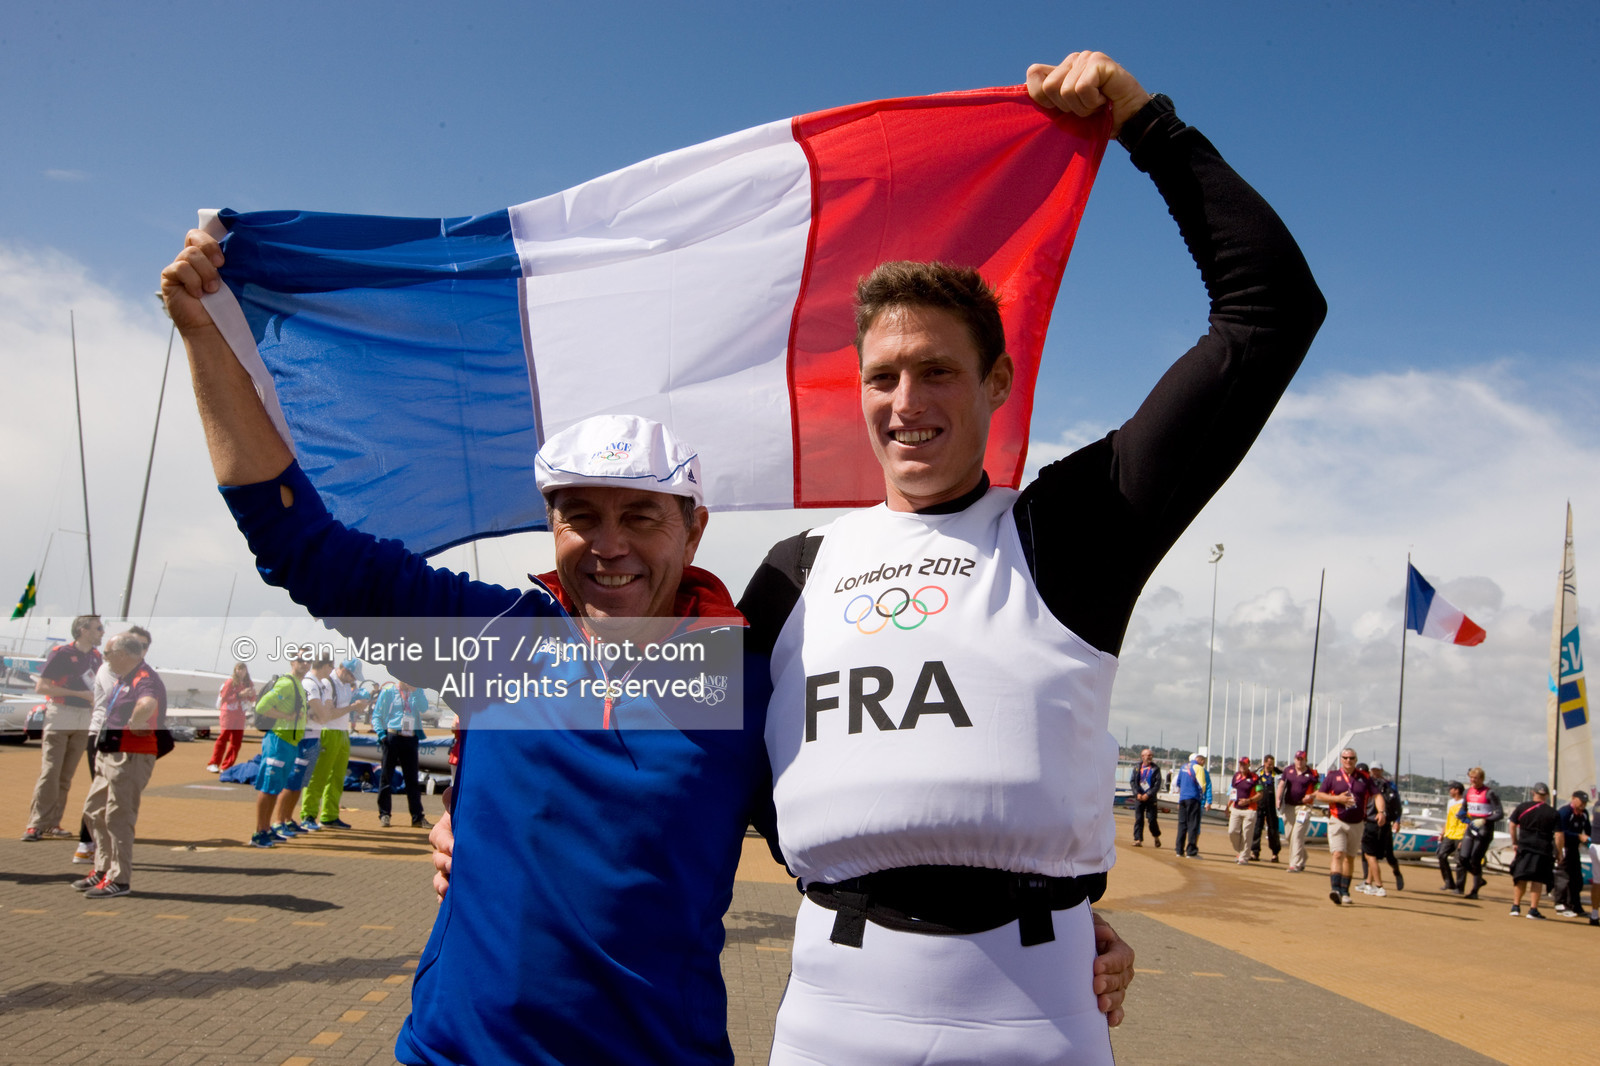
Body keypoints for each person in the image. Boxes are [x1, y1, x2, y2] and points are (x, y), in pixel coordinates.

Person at [737, 51, 1324, 1063]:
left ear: (996, 381)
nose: (906, 403)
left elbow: (1270, 311)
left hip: (1034, 1013)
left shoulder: (1069, 528)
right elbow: (672, 749)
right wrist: (478, 824)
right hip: (832, 1013)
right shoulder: (793, 569)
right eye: (882, 376)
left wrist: (1147, 125)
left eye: (937, 371)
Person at [73, 629, 167, 898]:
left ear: (123, 655)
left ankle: (119, 878)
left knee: (118, 816)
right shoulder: (122, 677)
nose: (104, 657)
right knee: (94, 810)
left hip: (130, 755)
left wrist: (136, 721)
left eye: (108, 653)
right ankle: (103, 869)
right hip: (109, 752)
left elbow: (148, 702)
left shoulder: (144, 677)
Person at [23, 614, 103, 842]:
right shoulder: (62, 653)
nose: (102, 632)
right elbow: (42, 687)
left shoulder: (97, 658)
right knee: (50, 771)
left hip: (84, 717)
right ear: (83, 630)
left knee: (66, 775)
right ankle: (36, 824)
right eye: (98, 628)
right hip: (61, 714)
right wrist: (79, 694)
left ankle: (53, 822)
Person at [248, 655, 311, 848]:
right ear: (292, 662)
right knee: (269, 788)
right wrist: (286, 716)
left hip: (290, 743)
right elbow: (261, 706)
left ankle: (267, 828)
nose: (305, 663)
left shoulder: (299, 685)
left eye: (309, 660)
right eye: (301, 659)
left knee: (276, 787)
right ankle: (259, 832)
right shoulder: (286, 683)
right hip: (278, 741)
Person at [301, 658, 369, 830]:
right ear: (343, 670)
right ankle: (308, 815)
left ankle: (329, 815)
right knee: (319, 775)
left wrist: (358, 705)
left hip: (342, 732)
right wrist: (354, 707)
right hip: (327, 731)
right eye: (352, 675)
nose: (354, 679)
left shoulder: (346, 685)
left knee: (337, 777)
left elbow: (343, 708)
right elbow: (329, 714)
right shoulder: (327, 683)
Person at [1312, 748, 1380, 906]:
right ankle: (1335, 889)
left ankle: (1344, 891)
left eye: (1351, 758)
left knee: (1349, 857)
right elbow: (1320, 795)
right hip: (1337, 820)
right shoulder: (1333, 776)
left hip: (1357, 823)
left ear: (1356, 760)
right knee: (1337, 854)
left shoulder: (1365, 777)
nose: (1348, 761)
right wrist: (1337, 798)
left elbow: (1377, 795)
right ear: (1341, 759)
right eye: (1345, 758)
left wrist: (1381, 812)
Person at [372, 680, 430, 829]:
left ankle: (417, 817)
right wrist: (381, 735)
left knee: (412, 780)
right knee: (386, 777)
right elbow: (377, 715)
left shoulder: (417, 691)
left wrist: (416, 690)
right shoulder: (388, 692)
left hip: (410, 737)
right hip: (392, 736)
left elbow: (424, 708)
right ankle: (384, 814)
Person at [1507, 782, 1561, 919]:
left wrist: (1515, 842)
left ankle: (1516, 906)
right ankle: (1533, 909)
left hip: (1524, 846)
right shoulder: (1553, 812)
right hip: (1543, 848)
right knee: (1537, 879)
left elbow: (1512, 825)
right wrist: (1559, 852)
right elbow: (1559, 835)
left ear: (1533, 793)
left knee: (1520, 877)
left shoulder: (1522, 807)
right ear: (1547, 795)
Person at [1458, 766, 1504, 899]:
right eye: (1471, 778)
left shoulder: (1490, 793)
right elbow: (1463, 808)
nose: (1473, 780)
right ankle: (1479, 879)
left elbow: (1500, 814)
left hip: (1485, 827)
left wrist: (1485, 820)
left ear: (1482, 779)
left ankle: (1474, 891)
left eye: (1476, 778)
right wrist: (1461, 816)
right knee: (1463, 858)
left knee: (1475, 859)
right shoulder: (1467, 792)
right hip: (1471, 825)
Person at [207, 661, 254, 772]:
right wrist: (239, 695)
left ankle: (227, 765)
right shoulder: (230, 682)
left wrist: (251, 695)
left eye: (243, 669)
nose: (241, 671)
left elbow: (252, 698)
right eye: (239, 669)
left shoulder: (248, 683)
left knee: (236, 740)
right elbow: (224, 698)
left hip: (240, 713)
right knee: (224, 736)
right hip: (228, 712)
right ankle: (213, 763)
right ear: (235, 670)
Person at [1277, 750, 1319, 873]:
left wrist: (1311, 796)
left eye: (1302, 759)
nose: (1299, 761)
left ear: (1306, 760)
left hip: (1304, 807)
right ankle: (1303, 856)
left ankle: (1295, 864)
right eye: (1297, 759)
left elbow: (1318, 789)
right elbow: (1281, 785)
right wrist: (1278, 799)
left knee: (1297, 835)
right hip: (1289, 805)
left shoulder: (1312, 774)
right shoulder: (1288, 770)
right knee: (1289, 835)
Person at [1554, 791, 1590, 917]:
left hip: (1574, 848)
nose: (1583, 804)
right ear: (1573, 799)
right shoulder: (1565, 812)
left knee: (1577, 879)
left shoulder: (1584, 814)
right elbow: (1560, 832)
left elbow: (1588, 830)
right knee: (1563, 877)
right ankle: (1560, 905)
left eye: (1585, 802)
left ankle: (1575, 905)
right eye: (1581, 801)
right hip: (1563, 846)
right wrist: (1578, 836)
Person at [1359, 762, 1392, 896]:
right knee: (1371, 855)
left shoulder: (1369, 786)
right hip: (1381, 822)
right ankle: (1368, 883)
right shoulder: (1387, 785)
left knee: (1369, 856)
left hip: (1371, 822)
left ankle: (1379, 885)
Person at [1174, 751, 1211, 858]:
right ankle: (1191, 851)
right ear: (1201, 760)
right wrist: (1202, 796)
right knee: (1193, 825)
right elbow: (1202, 785)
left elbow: (1178, 783)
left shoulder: (1183, 767)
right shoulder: (1199, 768)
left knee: (1182, 824)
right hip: (1193, 799)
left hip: (1183, 799)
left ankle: (1179, 850)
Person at [1227, 757, 1260, 865]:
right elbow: (1232, 792)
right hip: (1236, 808)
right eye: (1241, 764)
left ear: (1248, 765)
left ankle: (1244, 857)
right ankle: (1241, 851)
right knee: (1232, 831)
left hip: (1249, 810)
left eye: (1244, 764)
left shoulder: (1255, 778)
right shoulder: (1236, 776)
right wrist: (1228, 807)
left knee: (1247, 834)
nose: (1242, 766)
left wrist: (1248, 800)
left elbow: (1260, 794)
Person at [1436, 781, 1468, 892]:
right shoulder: (1450, 803)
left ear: (1457, 790)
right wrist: (1443, 833)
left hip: (1460, 834)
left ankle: (1460, 887)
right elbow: (1448, 818)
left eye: (1451, 789)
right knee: (1441, 855)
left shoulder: (1465, 803)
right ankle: (1449, 882)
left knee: (1460, 861)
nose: (1449, 791)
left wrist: (1465, 837)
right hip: (1450, 834)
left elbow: (1469, 821)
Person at [1250, 753, 1281, 862]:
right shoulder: (1257, 775)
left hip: (1272, 806)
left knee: (1273, 830)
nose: (1270, 766)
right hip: (1259, 804)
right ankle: (1255, 852)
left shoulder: (1278, 775)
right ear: (1264, 763)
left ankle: (1275, 853)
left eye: (1272, 764)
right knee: (1257, 828)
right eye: (1268, 764)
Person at [1131, 748, 1163, 847]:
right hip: (1139, 798)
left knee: (1152, 819)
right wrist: (1137, 794)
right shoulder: (1137, 767)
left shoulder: (1155, 769)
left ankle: (1156, 836)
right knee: (1139, 819)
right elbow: (1133, 782)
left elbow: (1157, 785)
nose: (1150, 757)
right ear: (1142, 756)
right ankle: (1138, 839)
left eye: (1151, 755)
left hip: (1150, 798)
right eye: (1148, 755)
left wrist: (1148, 794)